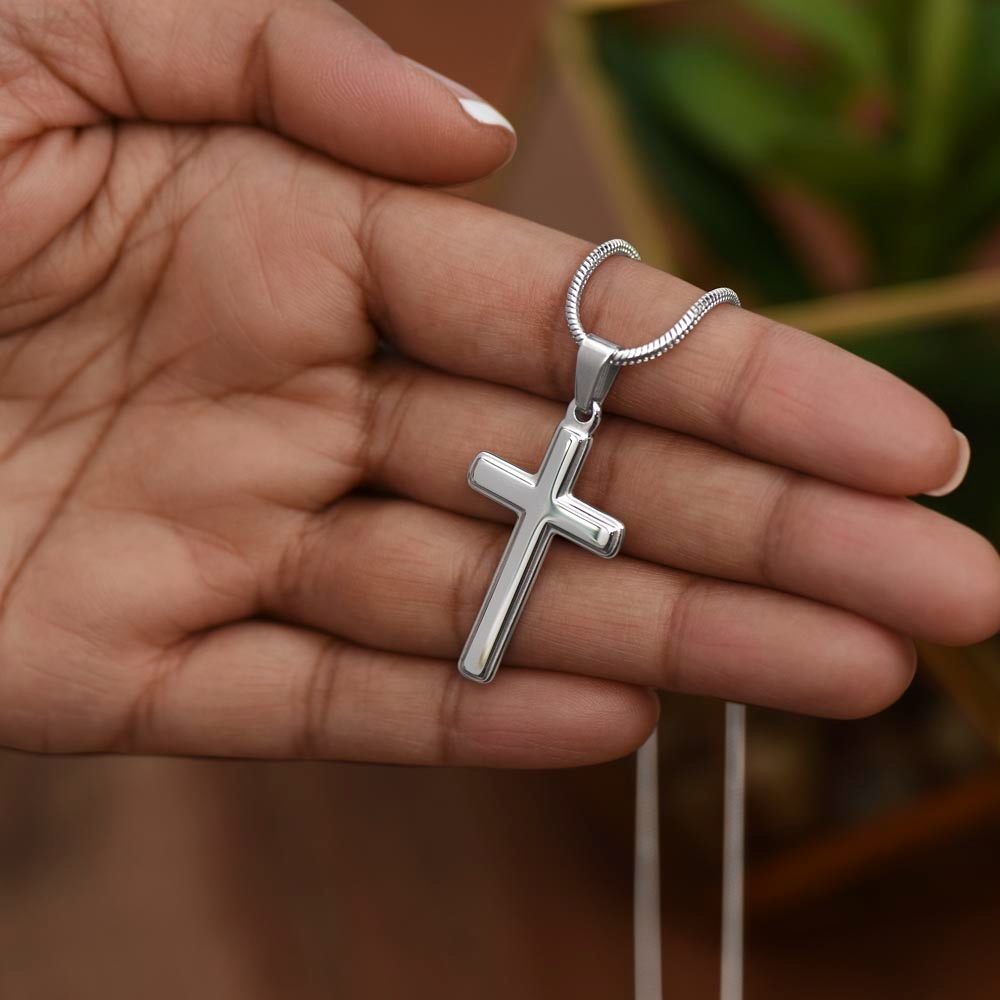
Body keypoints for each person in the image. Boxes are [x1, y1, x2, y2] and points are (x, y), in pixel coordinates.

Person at [0, 0, 997, 769]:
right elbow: (554, 511)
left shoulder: (558, 471)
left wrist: (574, 515)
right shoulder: (533, 461)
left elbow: (583, 525)